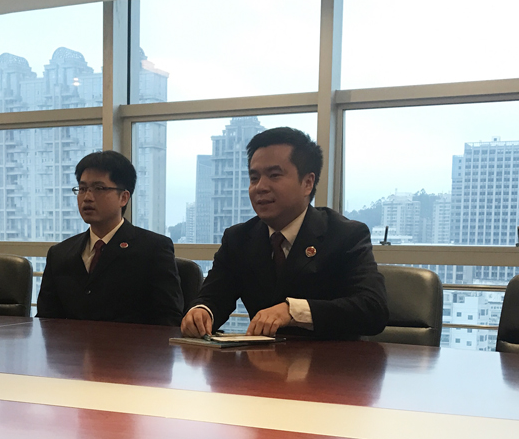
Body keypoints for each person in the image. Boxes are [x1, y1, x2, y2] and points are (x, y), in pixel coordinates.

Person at [181, 127, 388, 339]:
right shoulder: (239, 239)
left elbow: (372, 308)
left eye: (274, 175)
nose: (260, 187)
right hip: (259, 358)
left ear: (307, 183)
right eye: (254, 178)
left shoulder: (345, 234)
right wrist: (201, 312)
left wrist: (293, 311)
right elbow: (213, 297)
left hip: (330, 358)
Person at [37, 150, 184, 326]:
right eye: (82, 189)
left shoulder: (153, 249)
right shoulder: (59, 254)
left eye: (99, 188)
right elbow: (45, 321)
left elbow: (168, 319)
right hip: (71, 344)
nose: (87, 198)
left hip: (131, 344)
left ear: (123, 197)